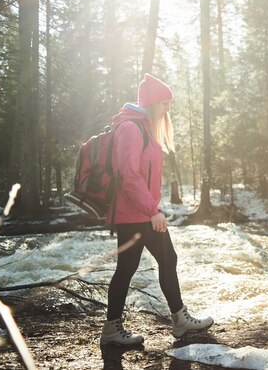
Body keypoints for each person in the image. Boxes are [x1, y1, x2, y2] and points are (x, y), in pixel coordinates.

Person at [100, 74, 213, 346]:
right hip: (135, 214)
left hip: (141, 212)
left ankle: (175, 319)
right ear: (152, 103)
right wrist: (152, 210)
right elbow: (129, 175)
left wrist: (151, 208)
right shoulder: (131, 128)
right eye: (164, 104)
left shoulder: (143, 128)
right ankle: (116, 329)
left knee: (157, 261)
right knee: (134, 267)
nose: (167, 110)